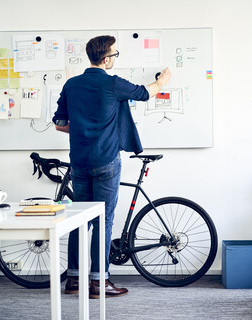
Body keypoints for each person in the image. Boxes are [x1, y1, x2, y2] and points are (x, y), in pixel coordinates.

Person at [52, 35, 171, 298]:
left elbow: (60, 123)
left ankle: (74, 280)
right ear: (106, 59)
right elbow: (144, 92)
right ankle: (99, 282)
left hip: (80, 162)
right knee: (103, 221)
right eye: (115, 55)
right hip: (106, 161)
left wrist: (83, 129)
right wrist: (162, 81)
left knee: (80, 221)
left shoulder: (72, 85)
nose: (115, 58)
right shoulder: (113, 84)